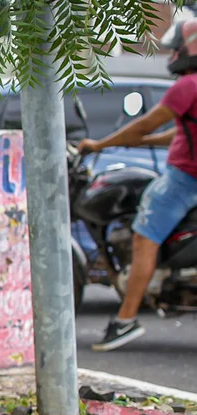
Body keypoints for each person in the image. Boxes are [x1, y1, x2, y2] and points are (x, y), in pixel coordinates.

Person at [78, 20, 197, 351]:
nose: (172, 54)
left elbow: (142, 124)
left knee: (145, 237)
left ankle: (126, 318)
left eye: (176, 48)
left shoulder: (187, 86)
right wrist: (139, 143)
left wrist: (99, 145)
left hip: (185, 179)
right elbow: (178, 134)